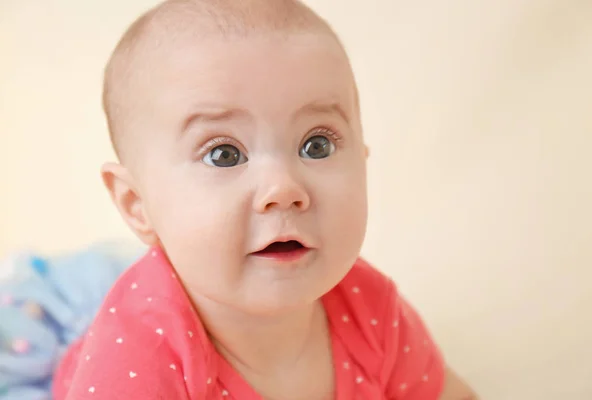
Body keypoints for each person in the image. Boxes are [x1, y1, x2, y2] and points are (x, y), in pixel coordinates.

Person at [52, 0, 478, 398]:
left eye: (317, 145)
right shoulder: (134, 364)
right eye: (224, 154)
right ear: (136, 203)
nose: (283, 189)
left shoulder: (371, 312)